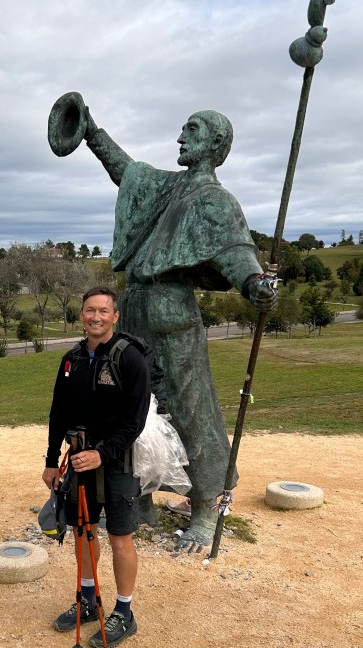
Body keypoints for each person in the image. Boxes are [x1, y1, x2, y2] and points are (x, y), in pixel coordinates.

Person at [82, 108, 277, 548]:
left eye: (192, 130)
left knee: (189, 405)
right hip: (133, 306)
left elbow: (236, 251)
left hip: (172, 309)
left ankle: (206, 505)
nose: (180, 138)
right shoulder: (167, 187)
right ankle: (139, 497)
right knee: (132, 406)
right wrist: (91, 130)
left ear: (215, 144)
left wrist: (254, 283)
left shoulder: (215, 201)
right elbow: (127, 171)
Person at [43, 287, 151, 648]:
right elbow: (58, 413)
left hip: (117, 463)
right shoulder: (71, 360)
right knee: (84, 532)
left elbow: (135, 421)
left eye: (104, 311)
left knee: (120, 537)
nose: (96, 317)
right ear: (81, 314)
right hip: (78, 461)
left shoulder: (130, 359)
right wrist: (51, 461)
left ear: (115, 316)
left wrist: (102, 453)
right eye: (90, 310)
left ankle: (124, 612)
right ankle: (88, 601)